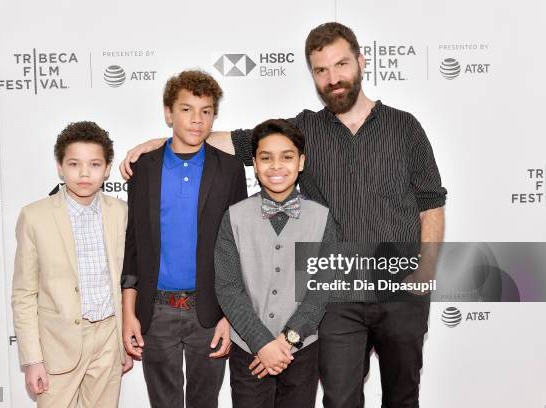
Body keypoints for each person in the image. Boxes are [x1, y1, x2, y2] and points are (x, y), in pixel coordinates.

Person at [120, 22, 447, 408]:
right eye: (321, 70)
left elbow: (431, 202)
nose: (333, 78)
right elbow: (241, 141)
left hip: (399, 288)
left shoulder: (405, 127)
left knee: (403, 396)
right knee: (341, 400)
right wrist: (169, 140)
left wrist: (425, 270)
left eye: (341, 65)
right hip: (337, 295)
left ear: (361, 62)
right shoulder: (305, 128)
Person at [120, 69, 248, 408]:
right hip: (155, 310)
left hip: (210, 312)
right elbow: (133, 245)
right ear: (168, 113)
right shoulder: (143, 168)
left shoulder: (231, 169)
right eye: (187, 109)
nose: (197, 120)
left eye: (206, 111)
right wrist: (129, 312)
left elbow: (237, 247)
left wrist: (229, 316)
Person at [215, 119, 338, 407]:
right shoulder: (234, 216)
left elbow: (320, 290)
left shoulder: (321, 218)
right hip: (249, 351)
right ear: (255, 164)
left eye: (287, 157)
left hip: (302, 351)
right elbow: (228, 288)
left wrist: (285, 342)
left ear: (301, 162)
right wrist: (262, 343)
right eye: (266, 158)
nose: (276, 166)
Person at [11, 121, 132, 408]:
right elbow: (24, 294)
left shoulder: (121, 212)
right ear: (60, 167)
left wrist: (121, 345)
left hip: (108, 339)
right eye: (74, 164)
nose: (84, 173)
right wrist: (32, 359)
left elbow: (126, 279)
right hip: (56, 345)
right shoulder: (34, 216)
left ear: (107, 168)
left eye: (94, 164)